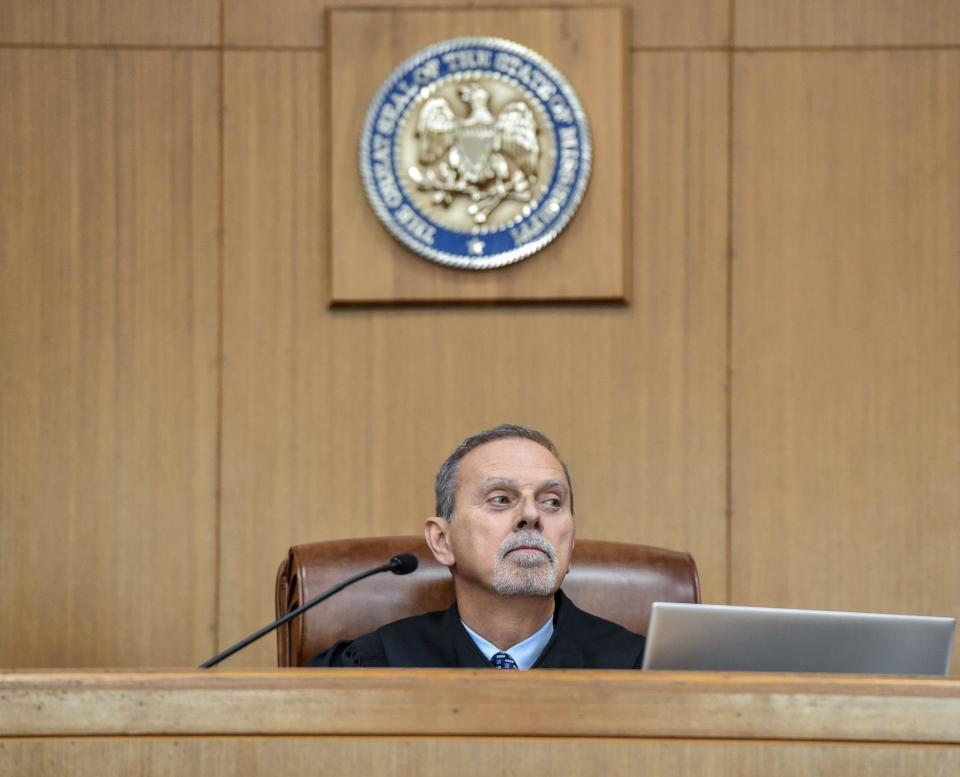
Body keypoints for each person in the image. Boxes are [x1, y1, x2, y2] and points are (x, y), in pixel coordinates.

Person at [309, 424, 645, 669]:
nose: (531, 514)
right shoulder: (376, 665)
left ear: (570, 544)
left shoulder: (638, 669)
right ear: (442, 541)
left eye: (552, 502)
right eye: (500, 499)